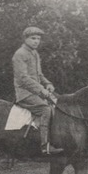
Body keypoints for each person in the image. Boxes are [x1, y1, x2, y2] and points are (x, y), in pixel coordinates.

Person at [12, 26, 63, 155]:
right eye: (33, 38)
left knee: (58, 104)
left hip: (36, 92)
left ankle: (57, 140)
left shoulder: (34, 54)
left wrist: (48, 83)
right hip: (25, 94)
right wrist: (41, 90)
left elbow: (39, 75)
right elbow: (23, 78)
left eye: (38, 39)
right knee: (45, 109)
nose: (36, 41)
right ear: (25, 39)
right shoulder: (20, 54)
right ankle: (44, 146)